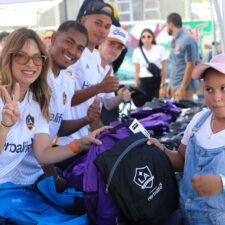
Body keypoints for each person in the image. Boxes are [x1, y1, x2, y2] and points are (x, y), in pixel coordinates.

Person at [0, 27, 109, 223]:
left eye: (37, 57)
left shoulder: (36, 101)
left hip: (27, 188)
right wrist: (5, 125)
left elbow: (43, 153)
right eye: (22, 56)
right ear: (8, 57)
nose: (31, 64)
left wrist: (80, 144)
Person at [148, 53, 225, 224]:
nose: (217, 98)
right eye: (209, 89)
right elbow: (182, 161)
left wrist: (221, 184)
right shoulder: (199, 120)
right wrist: (161, 149)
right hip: (184, 216)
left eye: (224, 88)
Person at [58, 0, 119, 145]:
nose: (102, 30)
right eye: (97, 23)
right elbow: (65, 100)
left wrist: (98, 132)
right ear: (84, 20)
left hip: (85, 139)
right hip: (65, 141)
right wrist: (100, 87)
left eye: (107, 26)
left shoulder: (96, 56)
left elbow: (93, 106)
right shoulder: (72, 54)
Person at [48, 20, 100, 143]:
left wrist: (87, 119)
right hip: (15, 161)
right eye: (69, 42)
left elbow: (60, 128)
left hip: (44, 157)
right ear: (54, 38)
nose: (72, 51)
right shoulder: (33, 72)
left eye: (80, 49)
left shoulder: (68, 82)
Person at [98, 25, 131, 124]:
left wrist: (121, 97)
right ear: (101, 42)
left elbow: (108, 104)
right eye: (111, 44)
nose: (114, 50)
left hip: (87, 130)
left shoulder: (109, 69)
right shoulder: (86, 60)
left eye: (119, 47)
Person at [166, 12, 200, 100]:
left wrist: (182, 87)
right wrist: (170, 84)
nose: (166, 28)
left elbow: (191, 64)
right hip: (176, 85)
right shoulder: (174, 40)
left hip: (185, 88)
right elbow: (175, 64)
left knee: (186, 113)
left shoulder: (187, 39)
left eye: (167, 25)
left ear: (171, 24)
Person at [132, 28, 167, 101]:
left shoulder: (160, 49)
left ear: (153, 38)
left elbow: (164, 70)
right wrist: (135, 85)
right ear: (141, 39)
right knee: (145, 107)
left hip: (156, 81)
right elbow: (137, 72)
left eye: (148, 36)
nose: (146, 39)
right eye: (143, 37)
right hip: (143, 82)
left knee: (156, 105)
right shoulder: (137, 51)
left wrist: (162, 86)